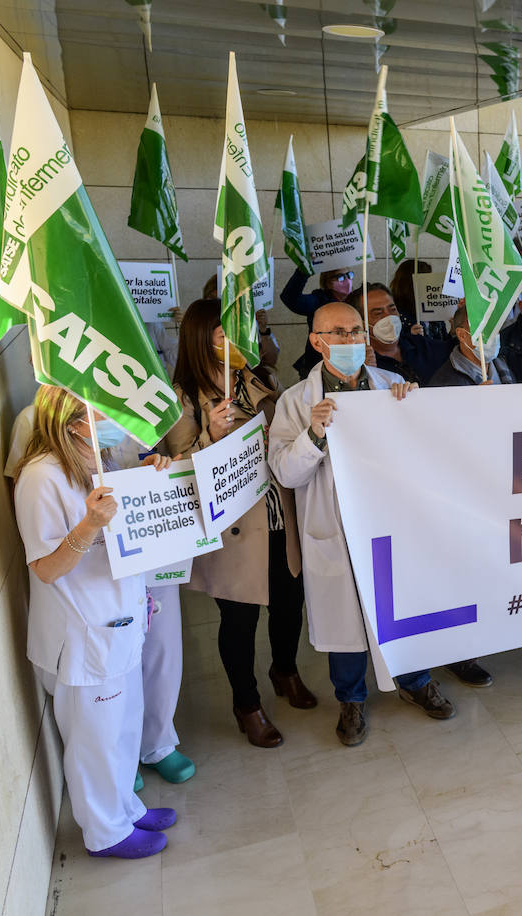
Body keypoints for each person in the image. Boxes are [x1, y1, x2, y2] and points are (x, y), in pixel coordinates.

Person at [269, 302, 457, 745]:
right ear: (317, 342)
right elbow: (285, 473)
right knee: (344, 622)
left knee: (403, 610)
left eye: (357, 331)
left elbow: (428, 453)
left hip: (389, 524)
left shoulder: (392, 385)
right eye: (339, 332)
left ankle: (415, 682)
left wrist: (410, 413)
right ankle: (351, 700)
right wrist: (313, 434)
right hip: (333, 529)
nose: (352, 340)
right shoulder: (296, 403)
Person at [13, 387, 177, 858]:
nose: (115, 420)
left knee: (123, 727)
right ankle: (105, 833)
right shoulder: (40, 477)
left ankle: (125, 806)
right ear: (69, 420)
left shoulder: (95, 461)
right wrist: (87, 527)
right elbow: (44, 568)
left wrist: (144, 479)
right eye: (102, 411)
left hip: (118, 624)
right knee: (95, 740)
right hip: (83, 635)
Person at [166, 299, 315, 749]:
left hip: (278, 512)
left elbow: (288, 431)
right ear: (201, 338)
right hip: (232, 527)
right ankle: (246, 703)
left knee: (290, 605)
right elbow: (176, 469)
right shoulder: (184, 396)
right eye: (222, 334)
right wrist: (209, 433)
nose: (233, 341)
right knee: (239, 619)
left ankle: (284, 670)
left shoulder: (261, 380)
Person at [355, 283, 452, 384]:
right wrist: (363, 374)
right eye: (378, 313)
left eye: (393, 309)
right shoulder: (361, 362)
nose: (389, 316)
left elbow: (458, 350)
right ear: (361, 323)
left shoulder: (420, 344)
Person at [281, 265, 356, 378]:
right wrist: (303, 272)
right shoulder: (318, 301)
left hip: (351, 365)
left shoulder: (358, 299)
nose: (347, 280)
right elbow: (290, 298)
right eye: (340, 277)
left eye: (349, 275)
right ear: (328, 283)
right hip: (318, 367)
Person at [428, 303, 515, 386]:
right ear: (462, 335)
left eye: (494, 328)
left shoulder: (503, 365)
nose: (492, 335)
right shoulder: (444, 382)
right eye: (483, 329)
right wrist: (474, 398)